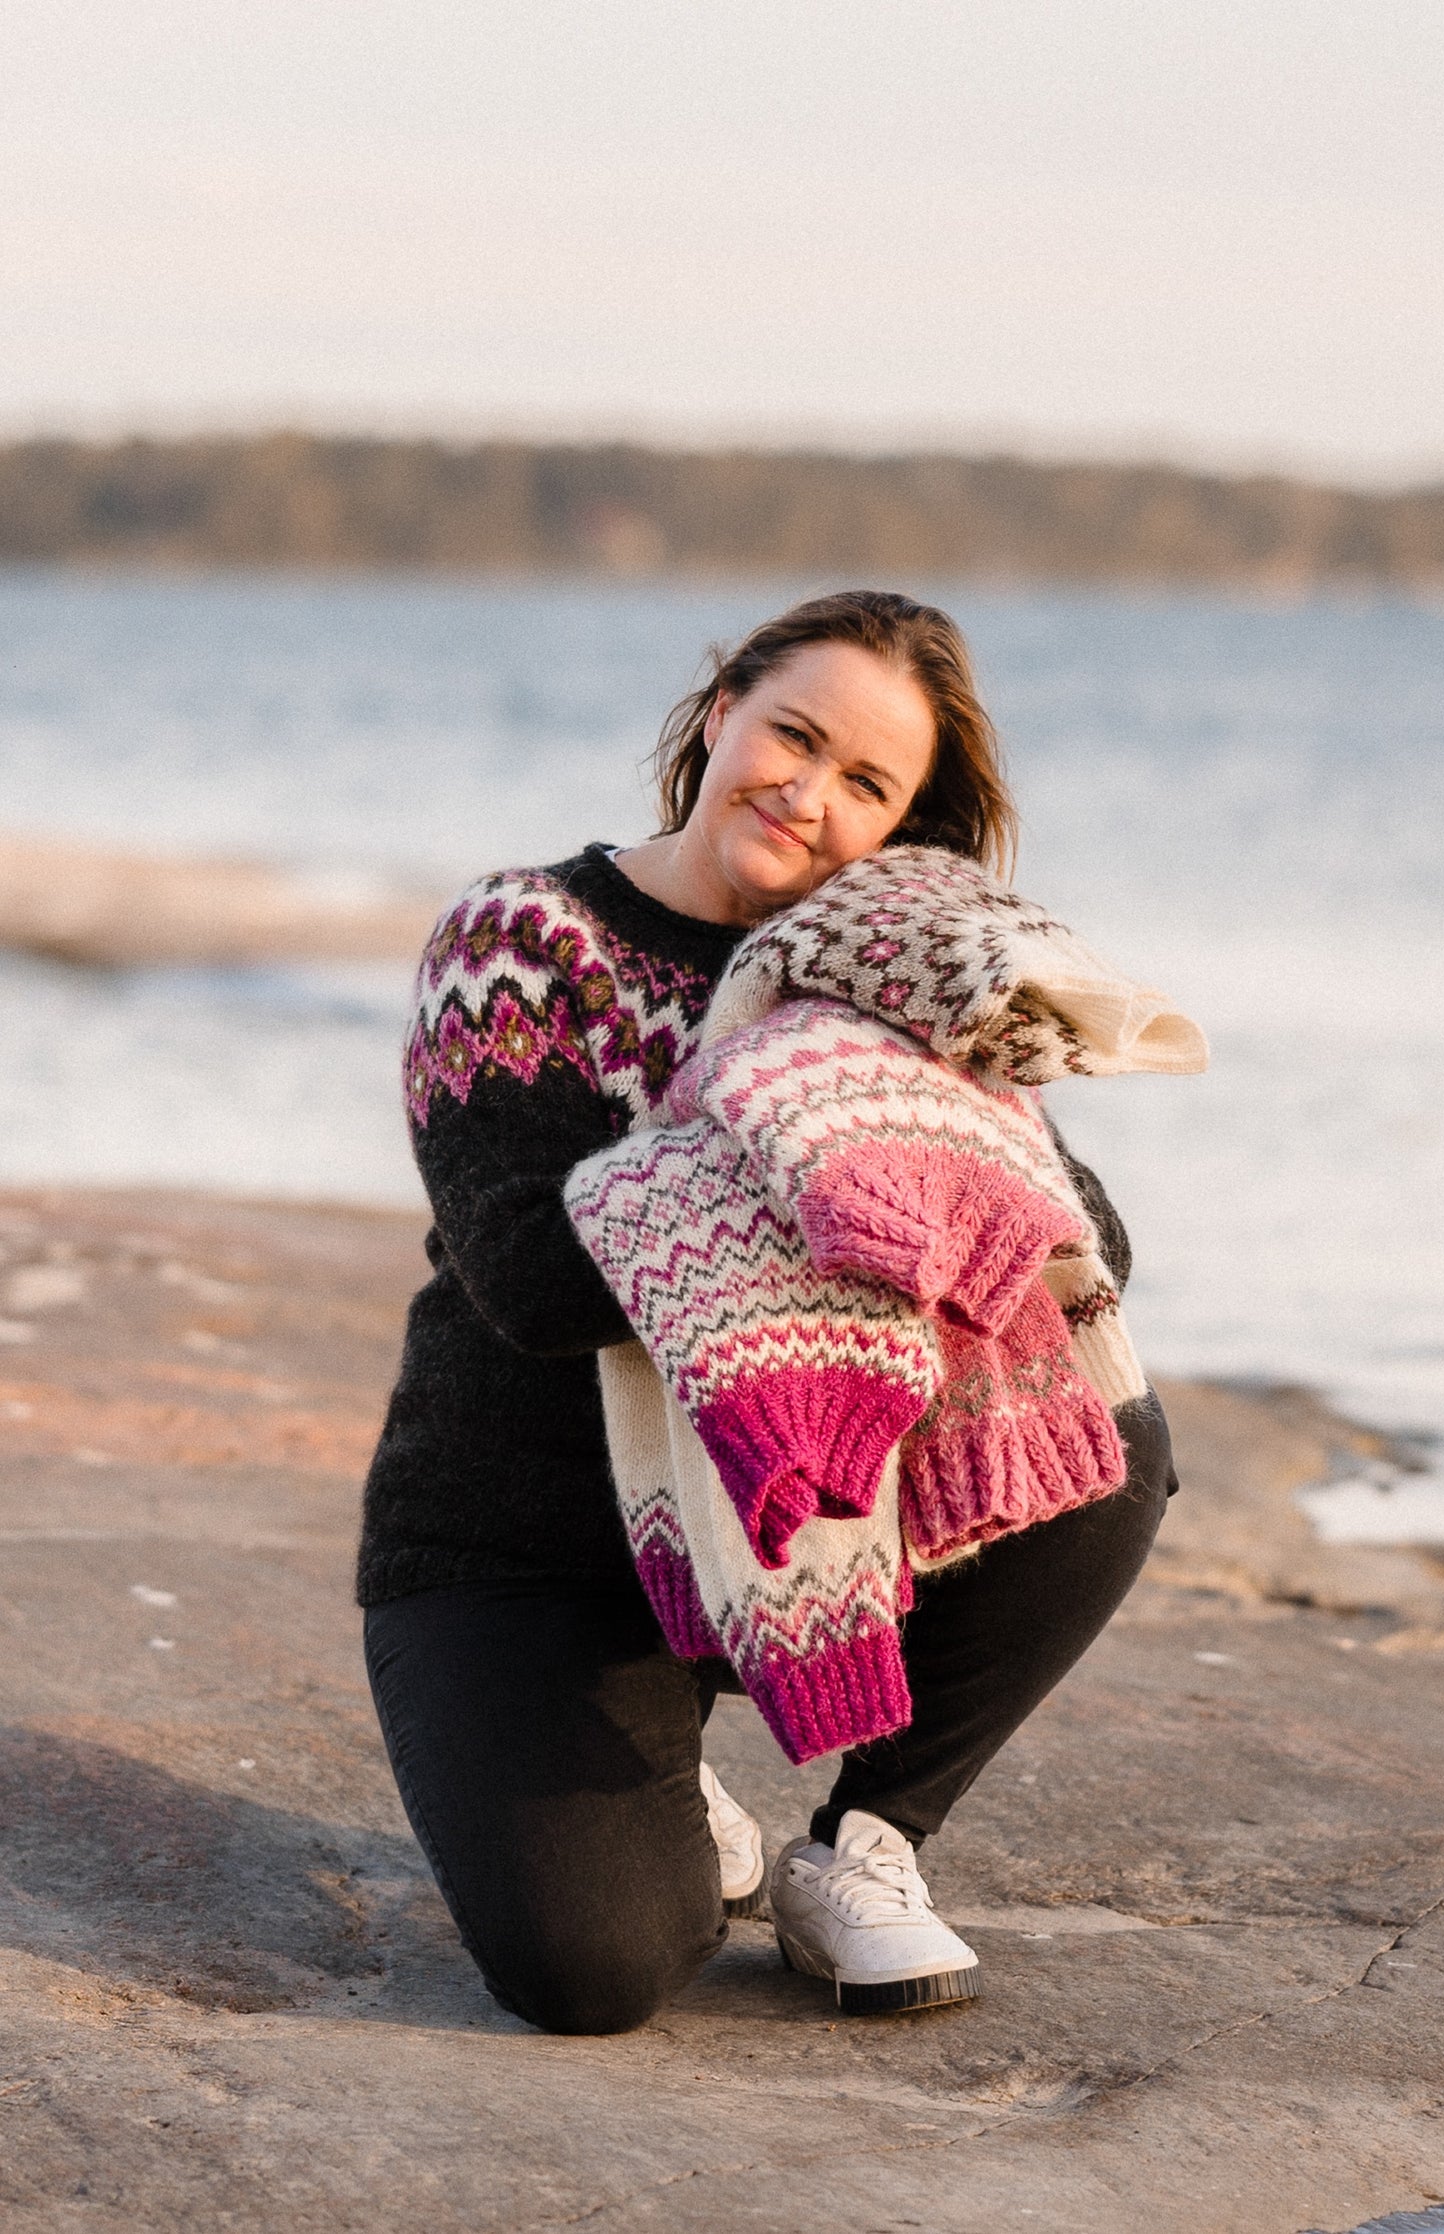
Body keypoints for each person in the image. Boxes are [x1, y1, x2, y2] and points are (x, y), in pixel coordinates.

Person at [359, 589, 1176, 2035]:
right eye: (793, 735)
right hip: (529, 1540)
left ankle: (867, 1841)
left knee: (1107, 1437)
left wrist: (907, 1123)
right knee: (600, 1974)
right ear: (722, 706)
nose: (808, 795)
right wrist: (823, 1144)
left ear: (902, 825)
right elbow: (533, 1281)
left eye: (867, 783)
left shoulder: (890, 971)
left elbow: (1075, 1244)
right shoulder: (522, 939)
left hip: (800, 1504)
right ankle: (669, 1792)